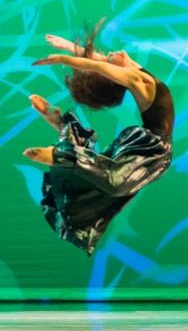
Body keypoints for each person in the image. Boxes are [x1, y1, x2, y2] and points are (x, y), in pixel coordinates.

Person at [25, 21, 174, 255]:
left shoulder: (138, 74)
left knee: (109, 179)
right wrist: (67, 53)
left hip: (150, 146)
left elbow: (100, 64)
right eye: (110, 56)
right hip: (152, 147)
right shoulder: (138, 78)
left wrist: (67, 52)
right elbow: (102, 66)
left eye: (110, 55)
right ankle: (63, 152)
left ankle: (63, 130)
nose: (111, 54)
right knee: (113, 180)